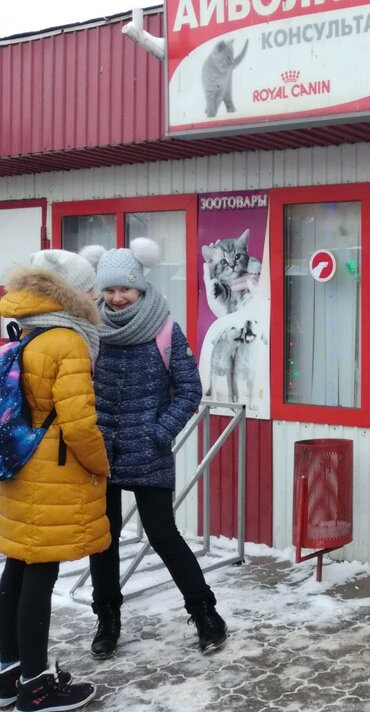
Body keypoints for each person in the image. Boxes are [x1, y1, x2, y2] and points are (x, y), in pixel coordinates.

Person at [80, 238, 227, 658]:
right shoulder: (92, 332)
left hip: (149, 450)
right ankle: (107, 620)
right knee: (103, 539)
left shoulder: (164, 330)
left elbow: (189, 389)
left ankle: (206, 614)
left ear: (141, 286)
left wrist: (160, 432)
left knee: (163, 534)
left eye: (125, 288)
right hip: (101, 452)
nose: (117, 297)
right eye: (109, 289)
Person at [0, 250, 109, 711]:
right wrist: (101, 464)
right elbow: (80, 425)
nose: (95, 295)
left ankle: (7, 675)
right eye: (89, 288)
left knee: (18, 567)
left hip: (17, 466)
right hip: (53, 474)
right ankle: (37, 685)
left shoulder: (23, 331)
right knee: (40, 574)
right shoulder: (67, 340)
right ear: (71, 293)